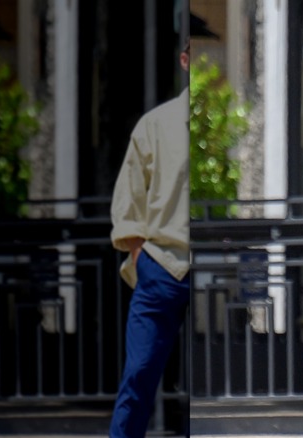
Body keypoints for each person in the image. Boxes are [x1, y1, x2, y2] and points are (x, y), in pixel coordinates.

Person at [108, 43, 190, 437]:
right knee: (138, 376)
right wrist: (141, 254)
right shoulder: (156, 125)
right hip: (160, 266)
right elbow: (128, 199)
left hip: (205, 268)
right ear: (185, 59)